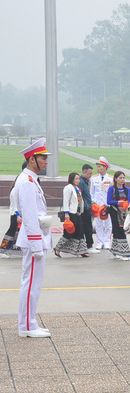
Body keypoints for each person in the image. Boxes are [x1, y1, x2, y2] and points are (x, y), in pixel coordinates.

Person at [16, 138, 53, 338]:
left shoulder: (30, 180)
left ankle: (30, 322)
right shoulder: (27, 182)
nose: (46, 162)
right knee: (31, 284)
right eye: (43, 158)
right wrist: (36, 245)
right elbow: (29, 217)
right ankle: (27, 326)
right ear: (32, 159)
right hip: (34, 240)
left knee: (32, 283)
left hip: (36, 238)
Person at [53, 172, 88, 257]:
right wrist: (66, 213)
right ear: (71, 179)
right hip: (71, 213)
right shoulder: (68, 188)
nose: (78, 180)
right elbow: (66, 201)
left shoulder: (77, 189)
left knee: (80, 231)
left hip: (78, 213)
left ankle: (81, 251)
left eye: (79, 179)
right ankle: (58, 248)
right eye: (76, 179)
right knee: (69, 232)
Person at [1, 161, 26, 259]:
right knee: (11, 231)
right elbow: (15, 204)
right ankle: (3, 249)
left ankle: (13, 249)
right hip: (15, 214)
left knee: (18, 232)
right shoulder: (15, 190)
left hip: (19, 214)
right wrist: (18, 215)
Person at [106, 171, 130, 260]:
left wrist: (125, 204)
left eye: (123, 178)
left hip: (124, 213)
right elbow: (108, 201)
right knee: (119, 230)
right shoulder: (111, 189)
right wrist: (118, 202)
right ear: (115, 179)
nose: (122, 180)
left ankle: (115, 250)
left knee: (119, 231)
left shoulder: (127, 190)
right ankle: (125, 253)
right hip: (114, 212)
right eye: (120, 178)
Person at [90, 156, 112, 249]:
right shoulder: (94, 178)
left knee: (108, 223)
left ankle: (107, 241)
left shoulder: (111, 179)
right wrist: (93, 203)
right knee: (98, 223)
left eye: (100, 166)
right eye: (98, 166)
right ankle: (99, 242)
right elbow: (92, 192)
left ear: (105, 167)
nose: (98, 168)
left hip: (107, 204)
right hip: (97, 204)